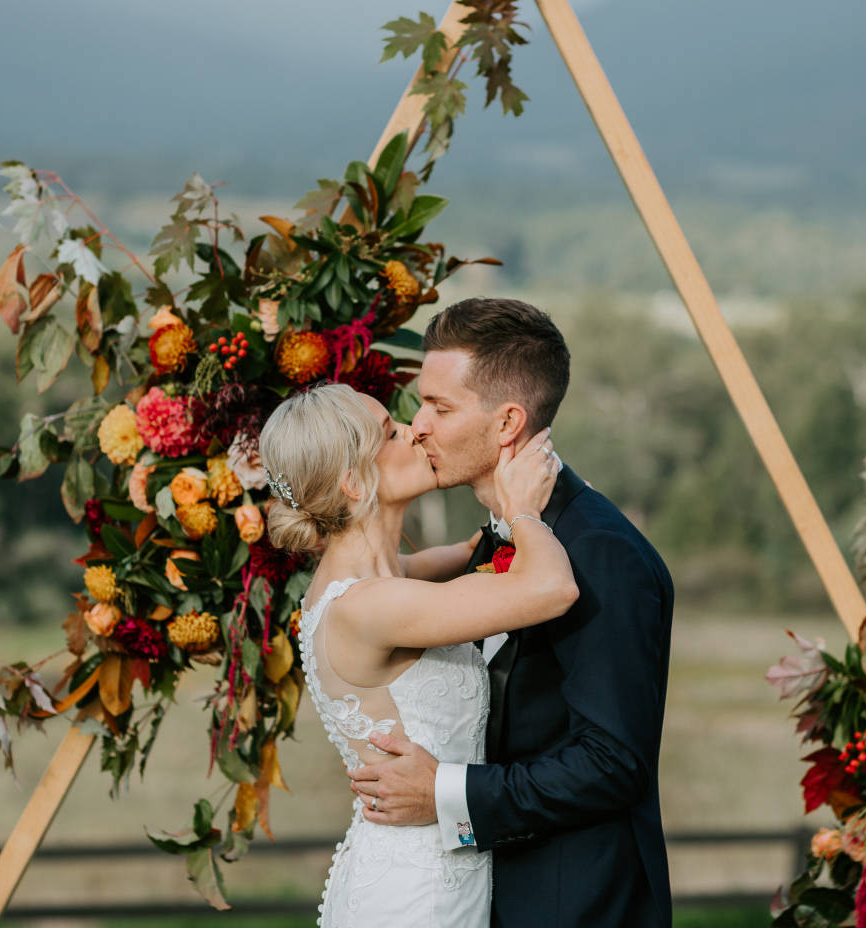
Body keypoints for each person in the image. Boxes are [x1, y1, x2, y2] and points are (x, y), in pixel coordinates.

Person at [345, 298, 676, 927]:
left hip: (573, 905)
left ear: (507, 424)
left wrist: (442, 791)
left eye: (440, 408)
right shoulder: (500, 538)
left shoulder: (598, 552)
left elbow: (612, 762)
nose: (418, 427)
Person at [259, 382, 575, 928]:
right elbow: (552, 589)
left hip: (435, 867)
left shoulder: (383, 578)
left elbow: (472, 553)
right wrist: (523, 509)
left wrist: (510, 494)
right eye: (391, 432)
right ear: (354, 481)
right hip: (417, 895)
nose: (416, 431)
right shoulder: (371, 606)